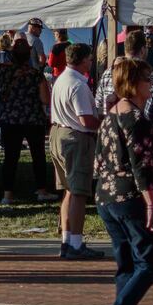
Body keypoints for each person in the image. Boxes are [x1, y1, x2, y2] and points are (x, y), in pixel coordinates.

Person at [92, 57, 153, 305]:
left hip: (107, 197)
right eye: (146, 79)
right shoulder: (136, 119)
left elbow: (99, 161)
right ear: (133, 83)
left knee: (126, 263)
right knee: (149, 263)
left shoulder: (112, 114)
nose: (151, 85)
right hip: (132, 198)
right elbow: (142, 165)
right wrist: (152, 203)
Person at [50, 43, 103, 260]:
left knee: (69, 191)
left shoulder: (61, 79)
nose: (91, 62)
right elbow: (86, 120)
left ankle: (66, 240)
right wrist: (105, 121)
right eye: (90, 59)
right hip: (75, 137)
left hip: (58, 132)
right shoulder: (78, 85)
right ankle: (76, 243)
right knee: (79, 192)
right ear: (82, 60)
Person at [0, 38, 56, 206]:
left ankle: (8, 194)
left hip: (10, 119)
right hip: (32, 118)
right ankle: (41, 190)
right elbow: (45, 99)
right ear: (29, 55)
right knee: (38, 155)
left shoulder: (2, 71)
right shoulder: (35, 74)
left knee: (10, 158)